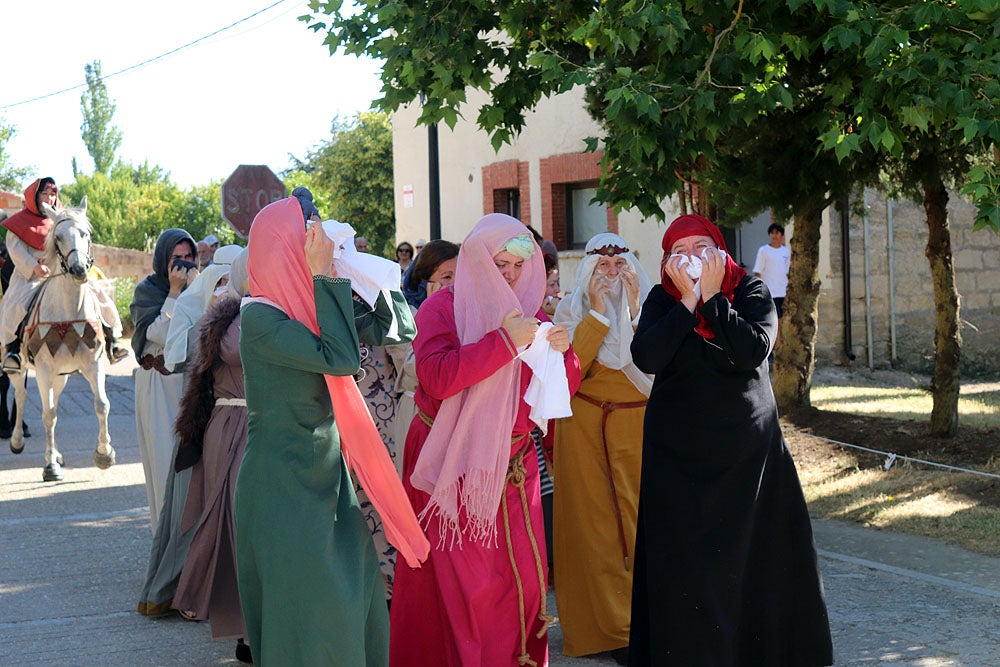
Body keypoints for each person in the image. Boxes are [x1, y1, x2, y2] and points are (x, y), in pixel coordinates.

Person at [628, 214, 832, 666]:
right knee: (684, 564)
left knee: (747, 559)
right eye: (679, 251)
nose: (692, 258)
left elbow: (751, 350)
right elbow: (646, 356)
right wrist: (686, 304)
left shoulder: (752, 291)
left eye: (702, 246)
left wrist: (715, 299)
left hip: (746, 452)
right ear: (666, 262)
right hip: (676, 454)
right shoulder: (662, 300)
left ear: (720, 250)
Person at [235, 197, 428, 666]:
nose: (314, 246)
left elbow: (395, 326)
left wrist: (357, 268)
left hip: (326, 477)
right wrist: (325, 278)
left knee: (357, 597)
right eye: (307, 237)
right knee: (314, 614)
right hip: (281, 485)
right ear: (282, 247)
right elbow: (340, 358)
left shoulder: (305, 308)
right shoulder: (259, 317)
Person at [389, 213, 581, 667]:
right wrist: (503, 342)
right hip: (453, 467)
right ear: (477, 260)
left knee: (526, 583)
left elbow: (553, 395)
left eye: (519, 265)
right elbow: (436, 378)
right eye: (500, 264)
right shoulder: (443, 308)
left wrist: (564, 356)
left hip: (515, 468)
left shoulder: (531, 313)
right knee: (468, 590)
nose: (511, 275)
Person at [552, 232, 652, 664]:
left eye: (618, 266)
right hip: (585, 431)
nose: (611, 275)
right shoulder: (567, 311)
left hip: (639, 429)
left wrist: (632, 313)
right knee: (593, 529)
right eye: (602, 268)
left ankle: (645, 623)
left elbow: (651, 365)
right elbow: (570, 371)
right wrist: (596, 314)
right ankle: (606, 630)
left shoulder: (652, 311)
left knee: (638, 521)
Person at [172, 248, 252, 663]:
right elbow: (242, 352)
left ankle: (252, 626)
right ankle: (244, 630)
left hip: (258, 426)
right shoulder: (229, 319)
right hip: (231, 426)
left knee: (251, 530)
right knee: (233, 525)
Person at [132, 229, 201, 617]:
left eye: (188, 256)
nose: (182, 264)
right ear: (162, 259)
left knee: (191, 480)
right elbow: (157, 334)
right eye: (175, 257)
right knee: (163, 474)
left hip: (188, 387)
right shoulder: (148, 291)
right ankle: (165, 575)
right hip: (157, 387)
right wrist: (175, 293)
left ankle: (189, 574)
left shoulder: (198, 287)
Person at [0, 178, 126, 371]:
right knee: (15, 303)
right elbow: (15, 250)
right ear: (34, 196)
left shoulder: (63, 219)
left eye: (53, 194)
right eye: (45, 194)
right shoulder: (18, 223)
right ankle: (13, 351)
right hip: (30, 276)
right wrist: (34, 266)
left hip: (61, 273)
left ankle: (112, 340)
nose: (49, 198)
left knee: (98, 292)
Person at [393, 239, 459, 481]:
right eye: (447, 277)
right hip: (417, 415)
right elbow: (413, 367)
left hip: (453, 417)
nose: (455, 285)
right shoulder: (404, 312)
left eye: (460, 276)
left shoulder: (464, 311)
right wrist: (432, 310)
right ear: (425, 280)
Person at [752, 222, 791, 348]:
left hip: (783, 292)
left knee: (784, 322)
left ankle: (781, 349)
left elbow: (789, 271)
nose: (774, 236)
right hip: (770, 293)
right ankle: (773, 349)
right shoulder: (764, 251)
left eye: (777, 233)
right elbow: (758, 271)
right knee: (773, 322)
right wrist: (758, 291)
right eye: (772, 233)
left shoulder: (786, 251)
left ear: (781, 235)